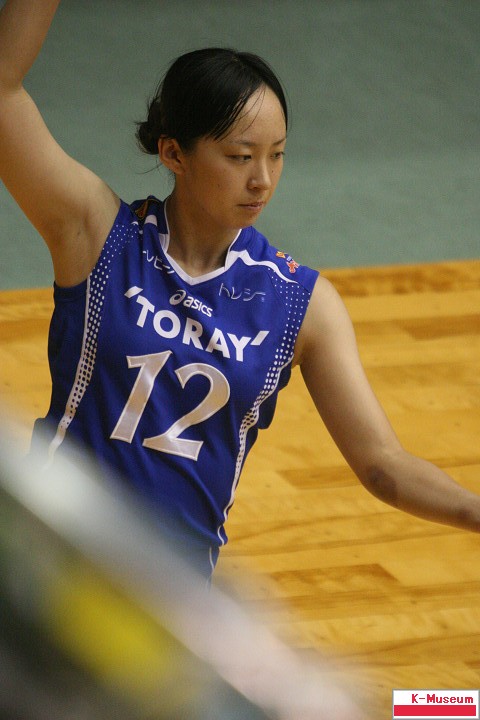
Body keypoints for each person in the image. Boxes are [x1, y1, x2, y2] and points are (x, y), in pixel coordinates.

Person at [1, 1, 479, 581]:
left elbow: (384, 464)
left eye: (277, 155)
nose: (263, 180)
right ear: (173, 153)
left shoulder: (302, 304)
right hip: (47, 562)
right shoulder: (99, 236)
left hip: (169, 595)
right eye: (240, 157)